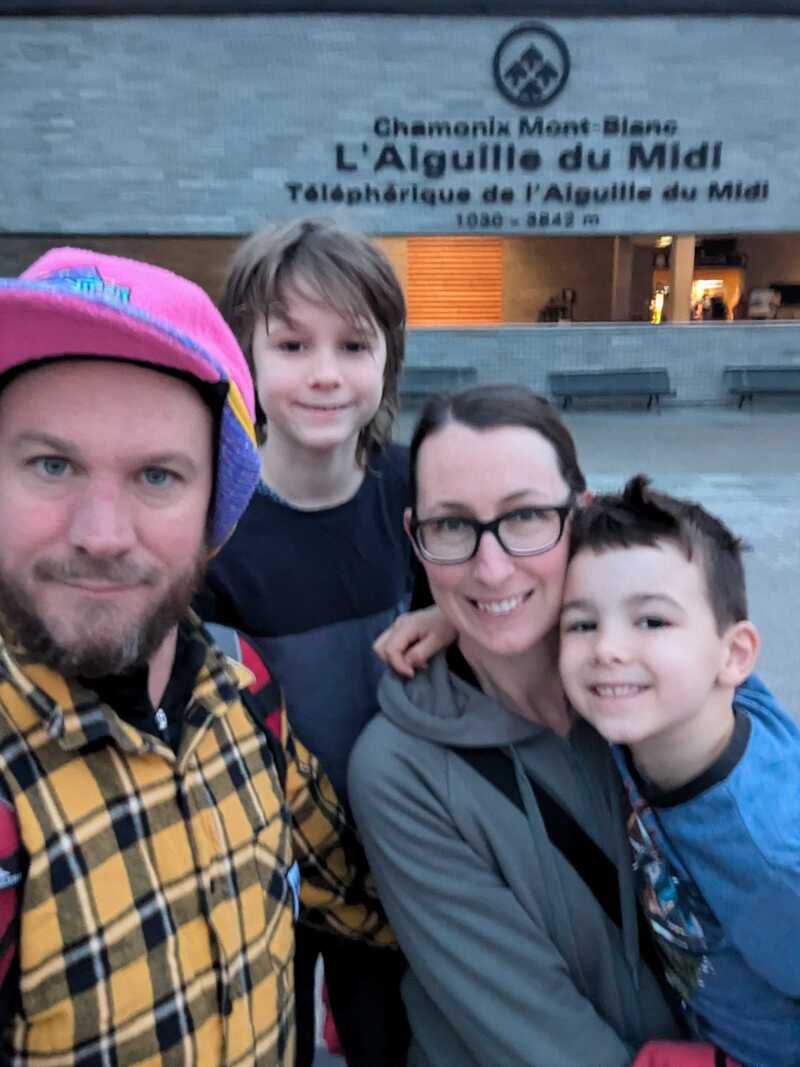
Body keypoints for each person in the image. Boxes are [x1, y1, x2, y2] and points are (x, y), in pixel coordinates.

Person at [0, 246, 390, 1065]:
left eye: (156, 476)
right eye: (51, 463)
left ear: (216, 504)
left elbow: (378, 896)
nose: (102, 535)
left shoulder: (239, 689)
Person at [348, 385, 685, 1067]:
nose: (490, 565)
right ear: (417, 536)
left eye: (525, 516)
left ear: (579, 514)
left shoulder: (652, 672)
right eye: (452, 527)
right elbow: (540, 1037)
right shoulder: (400, 772)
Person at [195, 218, 439, 1066]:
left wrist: (453, 614)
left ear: (388, 357)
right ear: (247, 358)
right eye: (293, 344)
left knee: (390, 1041)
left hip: (398, 849)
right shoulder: (211, 520)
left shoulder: (418, 486)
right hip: (272, 858)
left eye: (353, 344)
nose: (326, 373)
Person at [558, 475, 800, 1067]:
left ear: (735, 655)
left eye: (652, 622)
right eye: (581, 624)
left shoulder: (772, 859)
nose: (607, 649)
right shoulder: (671, 705)